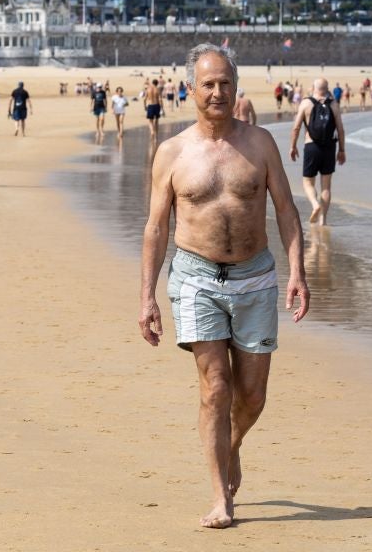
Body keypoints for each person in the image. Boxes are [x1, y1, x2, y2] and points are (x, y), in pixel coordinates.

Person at [139, 43, 309, 529]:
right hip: (195, 278)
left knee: (252, 395)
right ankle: (221, 499)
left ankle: (231, 446)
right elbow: (155, 227)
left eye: (225, 83)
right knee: (216, 387)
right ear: (191, 90)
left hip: (255, 278)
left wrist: (296, 271)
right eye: (208, 84)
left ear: (236, 88)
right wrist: (147, 296)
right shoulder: (171, 153)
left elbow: (285, 211)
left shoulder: (260, 144)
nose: (217, 92)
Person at [289, 78, 346, 226]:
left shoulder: (306, 103)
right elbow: (340, 129)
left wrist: (293, 146)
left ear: (313, 87)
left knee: (308, 182)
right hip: (329, 147)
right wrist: (341, 150)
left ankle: (314, 204)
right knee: (326, 187)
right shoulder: (333, 104)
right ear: (328, 89)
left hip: (311, 146)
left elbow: (296, 128)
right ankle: (323, 220)